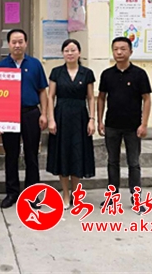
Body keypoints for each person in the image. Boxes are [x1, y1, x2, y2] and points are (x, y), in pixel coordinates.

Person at [97, 36, 152, 214]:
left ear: (130, 51)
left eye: (123, 49)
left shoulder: (139, 74)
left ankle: (136, 199)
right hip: (112, 125)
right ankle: (112, 197)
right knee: (112, 162)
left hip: (133, 127)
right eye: (115, 49)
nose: (119, 52)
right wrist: (99, 121)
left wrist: (144, 124)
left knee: (133, 163)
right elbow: (101, 98)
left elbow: (147, 99)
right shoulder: (107, 74)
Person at [0, 29, 48, 209]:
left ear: (26, 43)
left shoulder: (35, 64)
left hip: (31, 113)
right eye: (14, 42)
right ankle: (12, 193)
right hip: (8, 115)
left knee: (31, 155)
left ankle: (33, 195)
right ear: (8, 44)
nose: (17, 45)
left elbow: (42, 91)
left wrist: (44, 114)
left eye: (20, 42)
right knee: (11, 155)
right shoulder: (1, 66)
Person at [46, 39, 96, 210]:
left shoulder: (87, 73)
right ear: (62, 53)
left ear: (79, 53)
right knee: (62, 154)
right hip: (61, 116)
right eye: (66, 50)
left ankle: (75, 192)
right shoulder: (56, 72)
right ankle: (65, 194)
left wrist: (92, 119)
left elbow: (91, 97)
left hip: (80, 118)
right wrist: (51, 119)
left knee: (77, 154)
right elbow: (50, 96)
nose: (70, 53)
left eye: (73, 50)